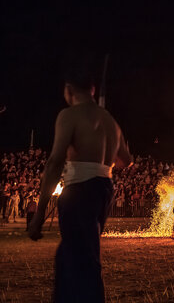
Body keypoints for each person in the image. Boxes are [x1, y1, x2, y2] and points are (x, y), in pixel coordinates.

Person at [28, 67, 133, 303]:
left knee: (83, 260)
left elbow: (55, 163)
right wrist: (104, 151)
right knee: (72, 256)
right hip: (104, 187)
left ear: (68, 89)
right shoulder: (111, 121)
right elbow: (126, 160)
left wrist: (39, 213)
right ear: (93, 89)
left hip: (80, 189)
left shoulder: (69, 115)